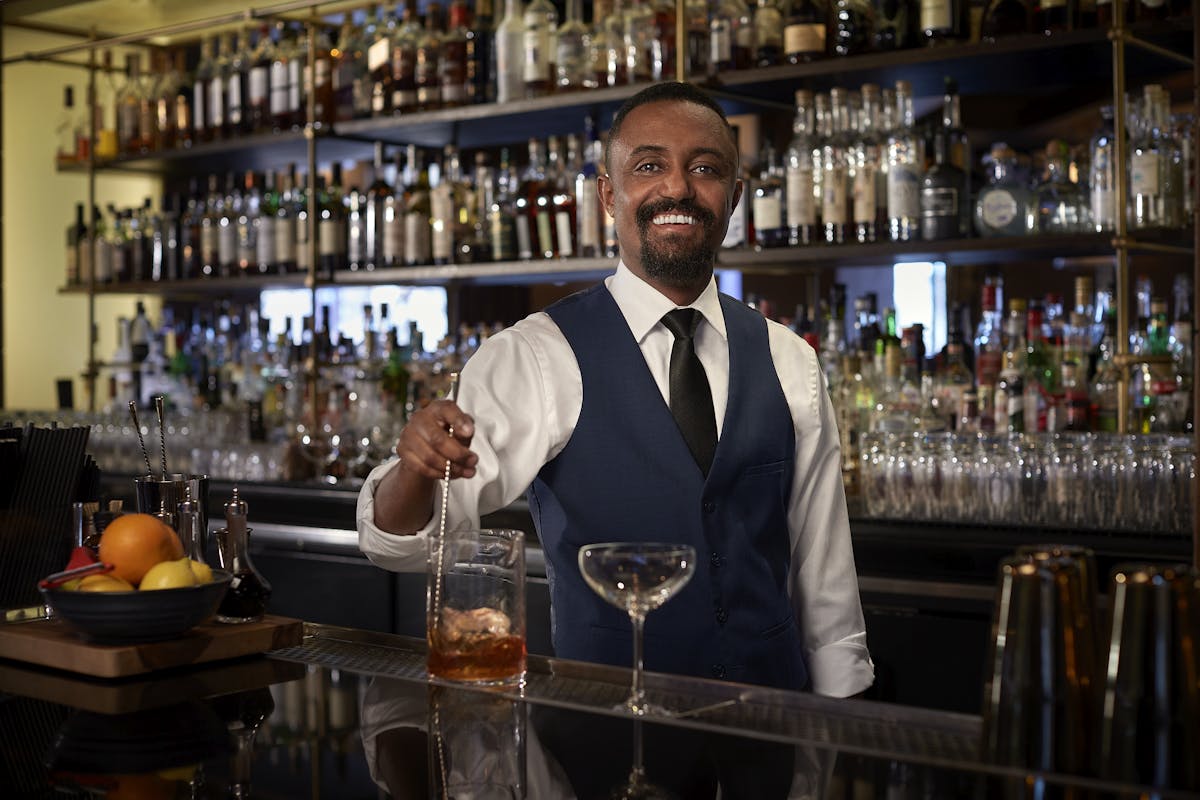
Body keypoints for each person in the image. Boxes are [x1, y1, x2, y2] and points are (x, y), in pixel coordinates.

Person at [358, 81, 873, 698]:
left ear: (734, 198)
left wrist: (839, 727)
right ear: (609, 193)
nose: (678, 187)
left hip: (770, 725)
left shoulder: (789, 358)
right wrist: (415, 468)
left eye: (704, 168)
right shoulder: (536, 354)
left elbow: (825, 577)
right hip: (602, 729)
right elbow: (404, 546)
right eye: (649, 165)